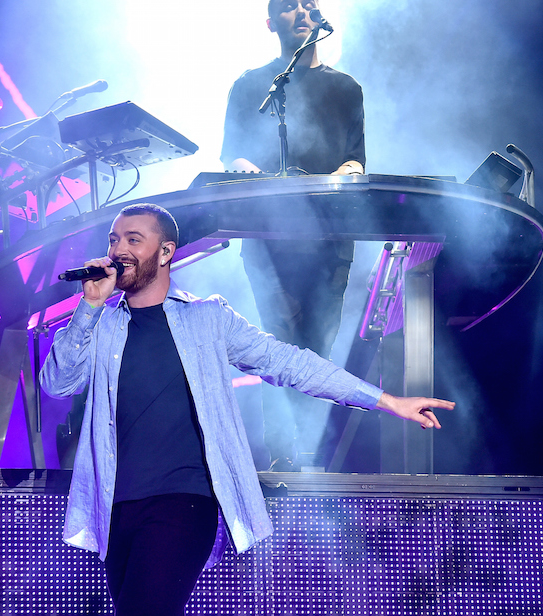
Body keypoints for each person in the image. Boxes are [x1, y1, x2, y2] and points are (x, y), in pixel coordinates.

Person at [40, 203, 454, 616]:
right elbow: (57, 383)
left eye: (134, 240)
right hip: (114, 509)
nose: (118, 250)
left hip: (183, 501)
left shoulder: (207, 318)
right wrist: (90, 307)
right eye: (114, 239)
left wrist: (386, 400)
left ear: (165, 252)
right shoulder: (100, 324)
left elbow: (291, 363)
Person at [221, 0, 365, 471]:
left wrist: (345, 173)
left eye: (310, 4)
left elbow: (357, 159)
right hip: (267, 238)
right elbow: (234, 156)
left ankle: (316, 462)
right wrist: (252, 176)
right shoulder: (249, 84)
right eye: (288, 6)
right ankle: (283, 461)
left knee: (320, 346)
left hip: (330, 239)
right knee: (275, 347)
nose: (301, 11)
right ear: (269, 22)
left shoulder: (347, 89)